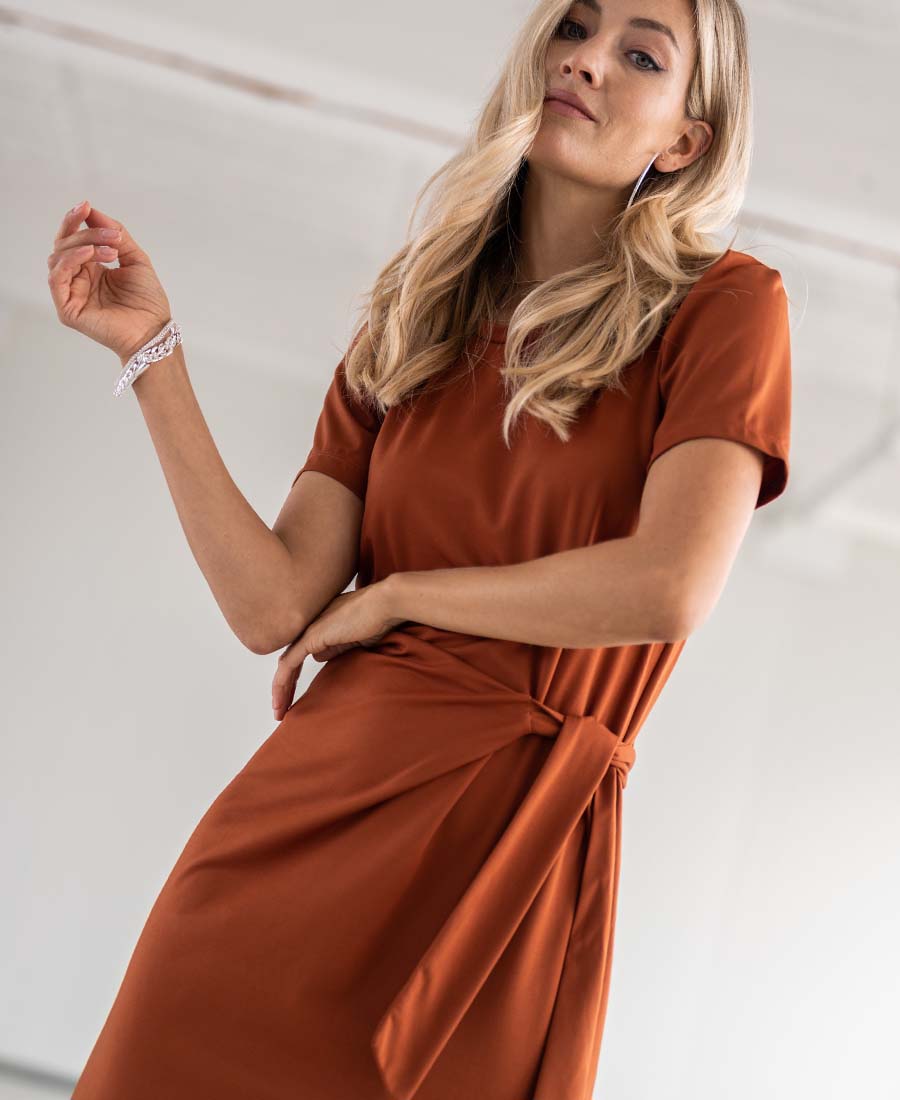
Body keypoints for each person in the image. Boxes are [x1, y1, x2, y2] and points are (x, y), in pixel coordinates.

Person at [48, 0, 792, 1096]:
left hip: (511, 854)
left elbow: (669, 585)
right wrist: (151, 352)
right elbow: (274, 606)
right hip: (303, 828)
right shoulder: (416, 314)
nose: (586, 60)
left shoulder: (727, 309)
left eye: (640, 54)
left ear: (685, 139)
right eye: (573, 28)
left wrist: (401, 596)